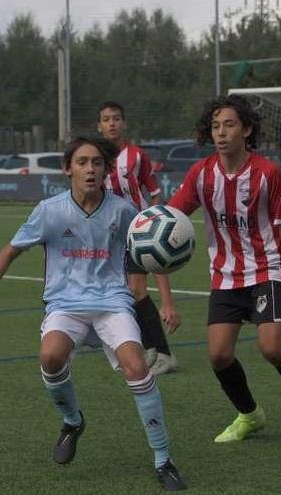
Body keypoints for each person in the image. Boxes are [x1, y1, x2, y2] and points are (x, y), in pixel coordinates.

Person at [0, 136, 186, 491]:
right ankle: (72, 421)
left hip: (113, 302)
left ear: (105, 170)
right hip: (65, 304)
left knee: (137, 367)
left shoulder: (123, 210)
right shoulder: (49, 210)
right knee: (50, 357)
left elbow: (150, 254)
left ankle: (163, 460)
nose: (90, 169)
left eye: (97, 163)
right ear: (68, 169)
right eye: (82, 162)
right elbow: (10, 250)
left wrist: (167, 302)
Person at [167, 95, 281, 445]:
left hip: (266, 269)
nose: (221, 132)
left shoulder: (267, 173)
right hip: (225, 275)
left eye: (229, 124)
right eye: (214, 126)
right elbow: (172, 217)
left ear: (247, 129)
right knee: (219, 355)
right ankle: (250, 415)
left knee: (271, 348)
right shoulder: (201, 174)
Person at [97, 101, 181, 375]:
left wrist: (152, 218)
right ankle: (149, 349)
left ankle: (163, 353)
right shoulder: (95, 157)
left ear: (124, 123)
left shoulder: (136, 156)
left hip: (135, 228)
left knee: (135, 290)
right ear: (100, 126)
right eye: (106, 119)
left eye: (117, 118)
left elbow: (155, 190)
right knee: (123, 293)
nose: (112, 123)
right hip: (108, 235)